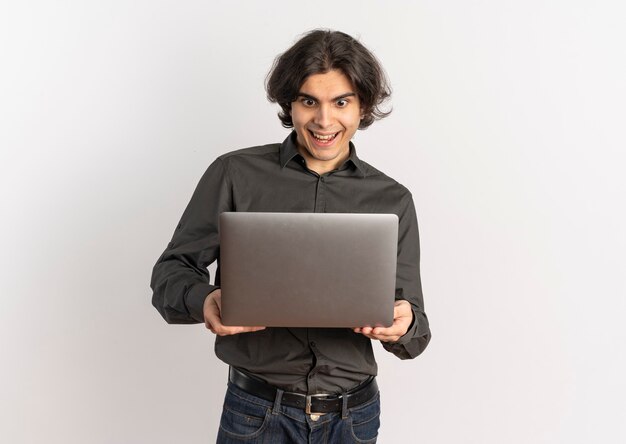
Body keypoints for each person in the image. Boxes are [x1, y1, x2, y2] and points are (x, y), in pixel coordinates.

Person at [151, 29, 431, 443]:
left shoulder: (393, 199)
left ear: (362, 106)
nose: (324, 120)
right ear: (290, 104)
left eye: (341, 102)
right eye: (308, 101)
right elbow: (169, 275)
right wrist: (204, 299)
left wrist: (403, 326)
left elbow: (416, 332)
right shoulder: (235, 174)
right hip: (257, 414)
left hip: (353, 420)